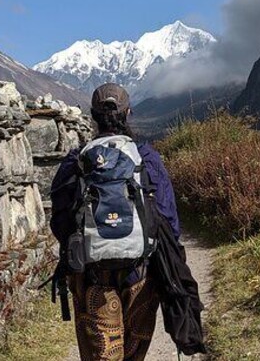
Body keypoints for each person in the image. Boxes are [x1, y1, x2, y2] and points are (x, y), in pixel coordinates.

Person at [52, 83, 181, 361]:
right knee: (134, 353)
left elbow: (60, 221)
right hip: (141, 274)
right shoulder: (146, 158)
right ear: (128, 112)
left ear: (92, 116)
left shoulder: (77, 159)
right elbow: (169, 220)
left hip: (91, 275)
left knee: (101, 354)